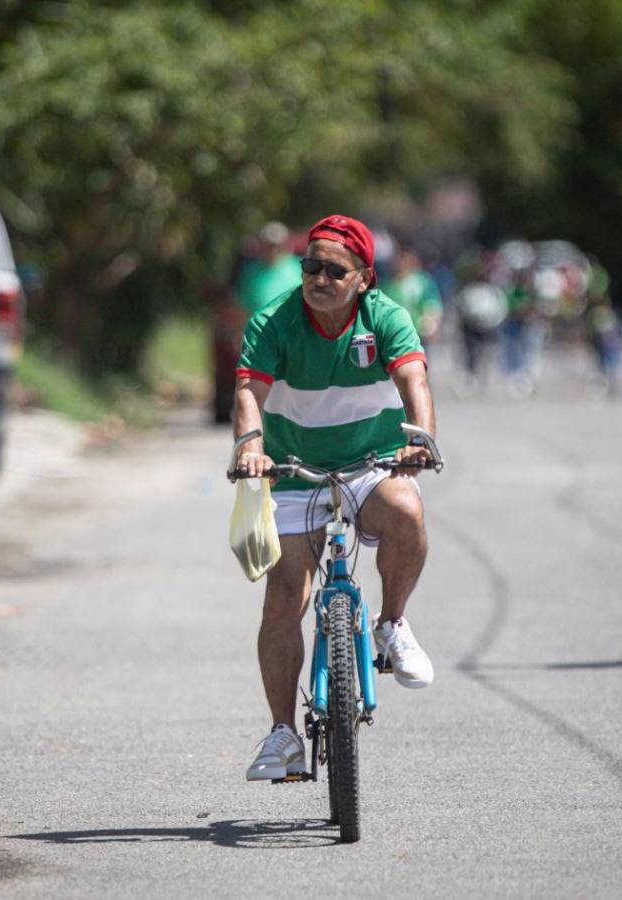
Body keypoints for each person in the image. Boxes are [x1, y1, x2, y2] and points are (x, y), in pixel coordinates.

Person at [232, 214, 437, 781]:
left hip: (371, 465)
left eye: (334, 270)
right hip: (295, 472)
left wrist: (421, 439)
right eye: (310, 267)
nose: (319, 278)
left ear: (364, 278)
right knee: (282, 597)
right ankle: (282, 736)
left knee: (406, 512)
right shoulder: (274, 320)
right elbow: (249, 391)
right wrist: (251, 448)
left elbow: (415, 380)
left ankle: (391, 624)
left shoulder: (387, 318)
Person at [383, 244, 443, 348]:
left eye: (405, 259)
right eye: (398, 259)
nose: (401, 263)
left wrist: (432, 326)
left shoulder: (421, 282)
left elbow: (432, 305)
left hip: (416, 334)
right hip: (392, 335)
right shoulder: (386, 284)